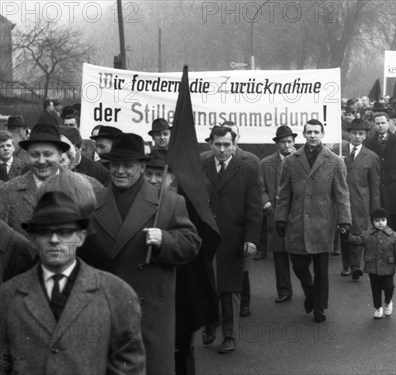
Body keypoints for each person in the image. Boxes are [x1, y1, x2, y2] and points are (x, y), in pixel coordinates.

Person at [84, 133, 201, 374]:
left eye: (128, 165)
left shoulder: (169, 202)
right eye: (115, 164)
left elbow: (191, 243)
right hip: (105, 304)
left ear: (141, 166)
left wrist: (165, 240)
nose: (120, 171)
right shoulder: (92, 203)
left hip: (150, 309)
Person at [0, 191, 145, 374]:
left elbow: (128, 362)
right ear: (34, 239)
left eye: (64, 232)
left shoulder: (116, 293)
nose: (54, 240)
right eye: (45, 232)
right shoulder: (9, 295)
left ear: (80, 237)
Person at [275, 119, 351, 323]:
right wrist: (281, 218)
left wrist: (345, 221)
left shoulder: (334, 161)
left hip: (322, 222)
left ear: (323, 134)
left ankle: (319, 307)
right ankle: (310, 292)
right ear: (304, 134)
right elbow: (283, 194)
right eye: (309, 132)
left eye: (317, 132)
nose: (313, 136)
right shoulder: (291, 161)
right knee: (299, 265)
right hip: (297, 221)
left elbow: (342, 194)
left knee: (321, 269)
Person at [200, 126, 262, 353]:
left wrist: (251, 239)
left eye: (227, 144)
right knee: (207, 285)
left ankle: (230, 336)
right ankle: (210, 323)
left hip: (233, 238)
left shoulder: (247, 169)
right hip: (204, 238)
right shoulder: (200, 166)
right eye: (218, 144)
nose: (222, 149)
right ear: (211, 144)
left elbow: (254, 208)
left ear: (235, 145)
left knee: (231, 288)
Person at [340, 208, 396, 319]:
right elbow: (356, 240)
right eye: (377, 220)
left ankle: (388, 301)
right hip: (372, 267)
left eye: (383, 220)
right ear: (372, 222)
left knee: (389, 287)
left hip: (388, 267)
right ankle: (378, 308)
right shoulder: (367, 235)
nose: (380, 223)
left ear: (387, 220)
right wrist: (346, 234)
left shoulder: (394, 236)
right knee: (375, 289)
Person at [260, 126, 297, 302]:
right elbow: (259, 188)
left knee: (300, 256)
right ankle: (284, 290)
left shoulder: (302, 160)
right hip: (276, 213)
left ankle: (307, 285)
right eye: (283, 142)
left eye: (289, 141)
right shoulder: (265, 163)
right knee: (279, 254)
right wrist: (265, 200)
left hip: (297, 214)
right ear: (277, 144)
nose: (286, 145)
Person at [340, 119, 380, 279]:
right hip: (341, 200)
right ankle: (346, 265)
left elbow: (375, 185)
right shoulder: (338, 152)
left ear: (365, 136)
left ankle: (355, 266)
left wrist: (376, 210)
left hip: (361, 202)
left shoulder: (371, 157)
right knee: (343, 232)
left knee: (358, 233)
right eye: (354, 133)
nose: (357, 136)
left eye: (361, 134)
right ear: (348, 134)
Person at [363, 112, 396, 235]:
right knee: (378, 218)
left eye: (383, 123)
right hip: (376, 187)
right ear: (374, 125)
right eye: (377, 123)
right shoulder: (368, 143)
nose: (380, 126)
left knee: (395, 218)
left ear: (389, 123)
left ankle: (395, 243)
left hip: (394, 186)